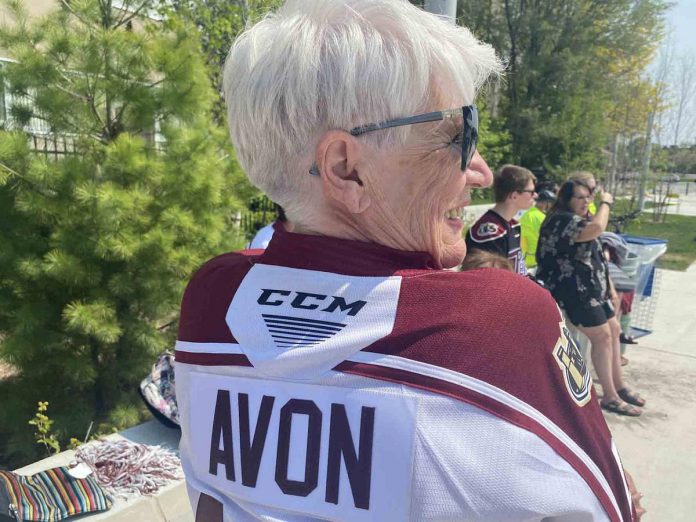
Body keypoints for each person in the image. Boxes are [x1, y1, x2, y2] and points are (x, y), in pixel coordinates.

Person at [175, 1, 641, 520]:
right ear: (347, 168)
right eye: (460, 134)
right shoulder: (501, 323)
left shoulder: (212, 296)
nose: (481, 171)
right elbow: (614, 508)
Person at [536, 179, 646, 418]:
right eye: (580, 197)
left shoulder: (580, 219)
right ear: (566, 200)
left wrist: (611, 289)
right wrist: (606, 202)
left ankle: (619, 385)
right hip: (572, 291)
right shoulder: (561, 221)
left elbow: (596, 255)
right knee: (603, 337)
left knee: (614, 330)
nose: (586, 201)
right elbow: (596, 230)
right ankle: (610, 396)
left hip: (591, 289)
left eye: (589, 197)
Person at [465, 165, 537, 275]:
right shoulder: (490, 233)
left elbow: (519, 270)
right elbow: (492, 281)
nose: (535, 195)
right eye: (531, 192)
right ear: (514, 196)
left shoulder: (513, 225)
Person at [520, 187, 557, 270]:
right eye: (551, 204)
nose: (551, 207)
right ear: (545, 203)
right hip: (535, 260)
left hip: (525, 259)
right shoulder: (541, 217)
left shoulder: (528, 213)